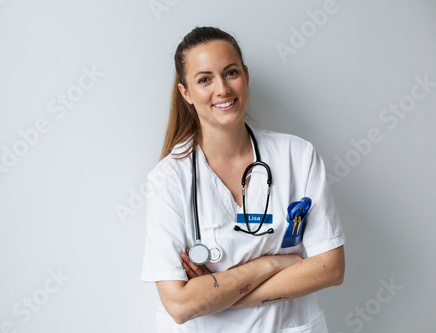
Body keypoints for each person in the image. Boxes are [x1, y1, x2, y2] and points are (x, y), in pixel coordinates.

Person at [141, 26, 345, 332]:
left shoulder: (297, 156)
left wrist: (213, 296)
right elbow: (180, 306)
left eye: (230, 72)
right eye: (204, 79)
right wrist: (272, 263)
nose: (222, 89)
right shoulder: (168, 179)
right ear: (186, 93)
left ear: (246, 76)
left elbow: (330, 269)